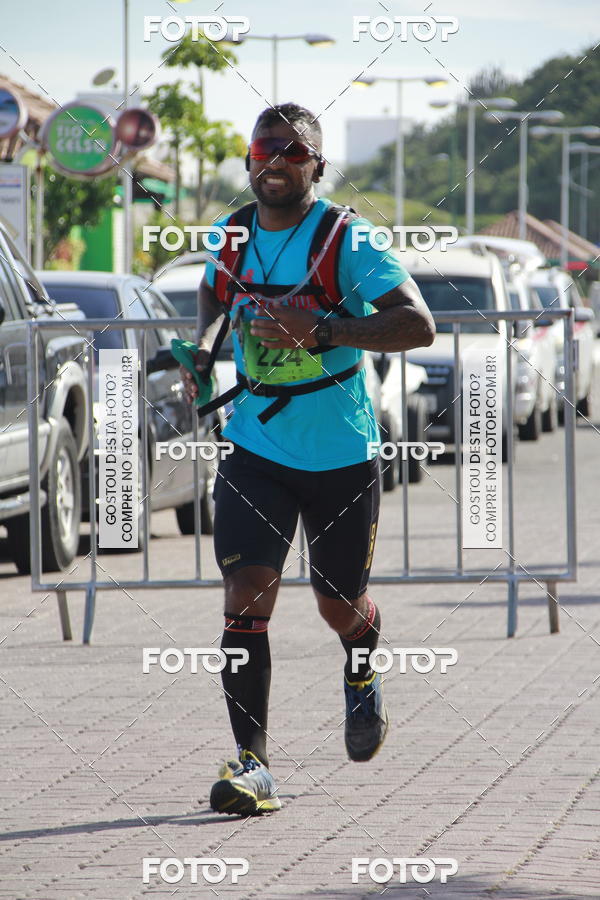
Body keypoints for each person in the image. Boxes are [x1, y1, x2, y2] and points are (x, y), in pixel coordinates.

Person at [181, 102, 435, 816]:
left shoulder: (347, 239)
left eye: (294, 153)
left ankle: (361, 665)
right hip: (255, 444)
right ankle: (254, 766)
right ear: (249, 159)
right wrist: (202, 349)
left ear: (317, 166)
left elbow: (418, 324)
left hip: (340, 453)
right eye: (265, 150)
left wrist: (322, 329)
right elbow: (212, 290)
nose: (277, 163)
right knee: (245, 597)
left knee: (337, 603)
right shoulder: (231, 231)